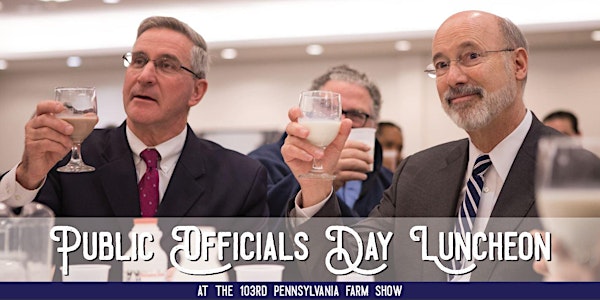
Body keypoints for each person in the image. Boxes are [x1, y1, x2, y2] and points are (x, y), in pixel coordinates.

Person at [281, 10, 563, 281]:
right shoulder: (417, 174)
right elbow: (340, 269)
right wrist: (316, 184)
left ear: (518, 64)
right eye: (441, 65)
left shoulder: (579, 172)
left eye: (472, 56)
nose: (454, 78)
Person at [0, 16, 268, 218]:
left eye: (166, 65)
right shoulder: (66, 157)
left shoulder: (240, 179)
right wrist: (27, 176)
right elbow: (15, 245)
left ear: (196, 91)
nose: (145, 76)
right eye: (138, 61)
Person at [248, 65, 393, 217]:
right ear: (307, 113)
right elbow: (255, 229)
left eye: (356, 114)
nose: (340, 120)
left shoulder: (390, 183)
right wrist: (314, 185)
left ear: (374, 124)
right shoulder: (260, 166)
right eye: (327, 108)